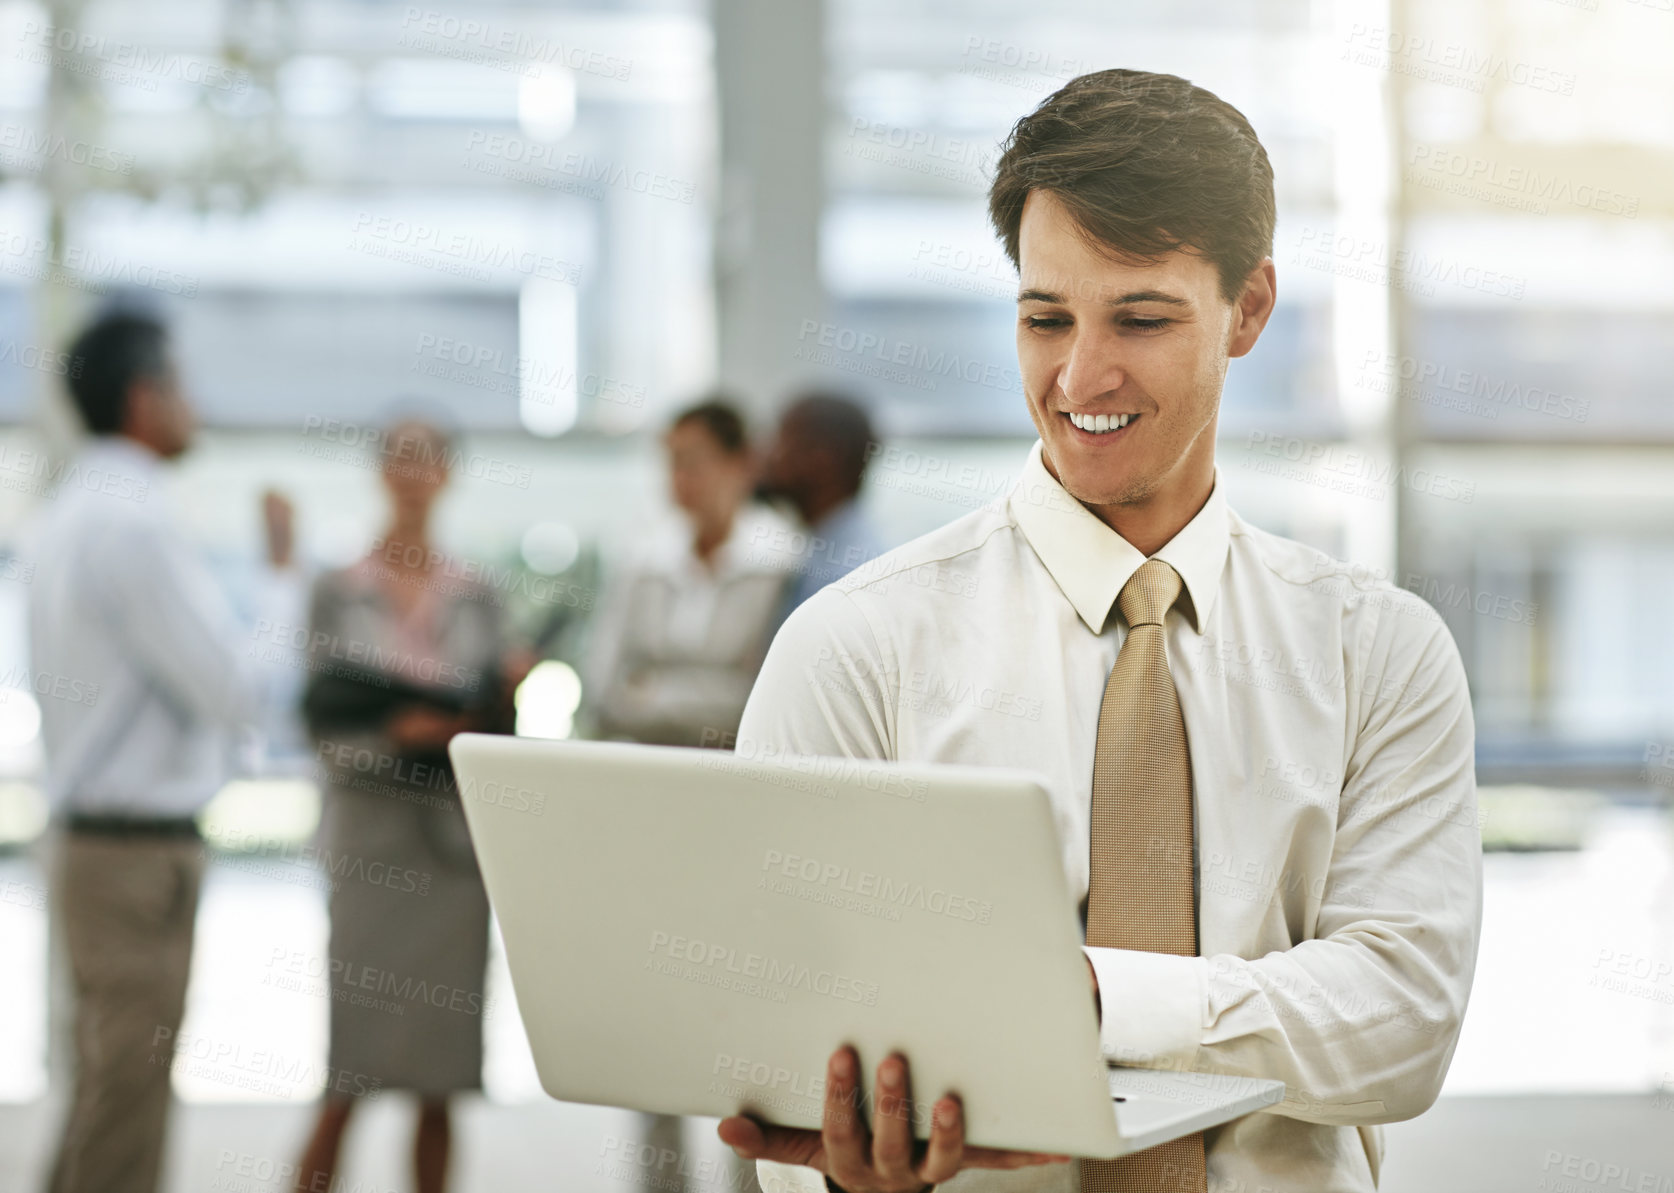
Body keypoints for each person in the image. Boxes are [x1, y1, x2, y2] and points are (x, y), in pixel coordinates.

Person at [720, 70, 1481, 1192]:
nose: (1082, 375)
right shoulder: (854, 649)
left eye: (1141, 317)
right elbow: (786, 1052)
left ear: (1250, 309)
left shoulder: (1381, 655)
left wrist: (1084, 995)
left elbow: (1400, 1021)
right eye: (1045, 317)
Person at [28, 311, 263, 1193]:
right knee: (127, 1096)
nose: (194, 405)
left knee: (103, 1080)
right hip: (133, 855)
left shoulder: (70, 511)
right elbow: (236, 688)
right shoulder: (134, 524)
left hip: (92, 842)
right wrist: (277, 580)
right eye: (181, 384)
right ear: (142, 397)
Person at [293, 416, 525, 1193]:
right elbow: (321, 724)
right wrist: (399, 738)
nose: (413, 472)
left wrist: (483, 711)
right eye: (401, 456)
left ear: (448, 474)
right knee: (347, 1072)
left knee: (442, 1076)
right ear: (381, 471)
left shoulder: (481, 596)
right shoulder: (335, 589)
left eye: (428, 458)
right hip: (369, 843)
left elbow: (499, 725)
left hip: (453, 854)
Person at [586, 398, 793, 750]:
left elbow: (761, 699)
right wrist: (711, 690)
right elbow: (601, 686)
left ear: (741, 463)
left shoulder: (778, 562)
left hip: (736, 767)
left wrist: (651, 693)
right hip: (643, 761)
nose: (679, 479)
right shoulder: (643, 557)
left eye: (693, 462)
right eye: (672, 463)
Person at [756, 392, 887, 617]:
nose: (767, 455)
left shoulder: (848, 576)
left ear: (822, 458)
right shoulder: (822, 553)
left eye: (781, 439)